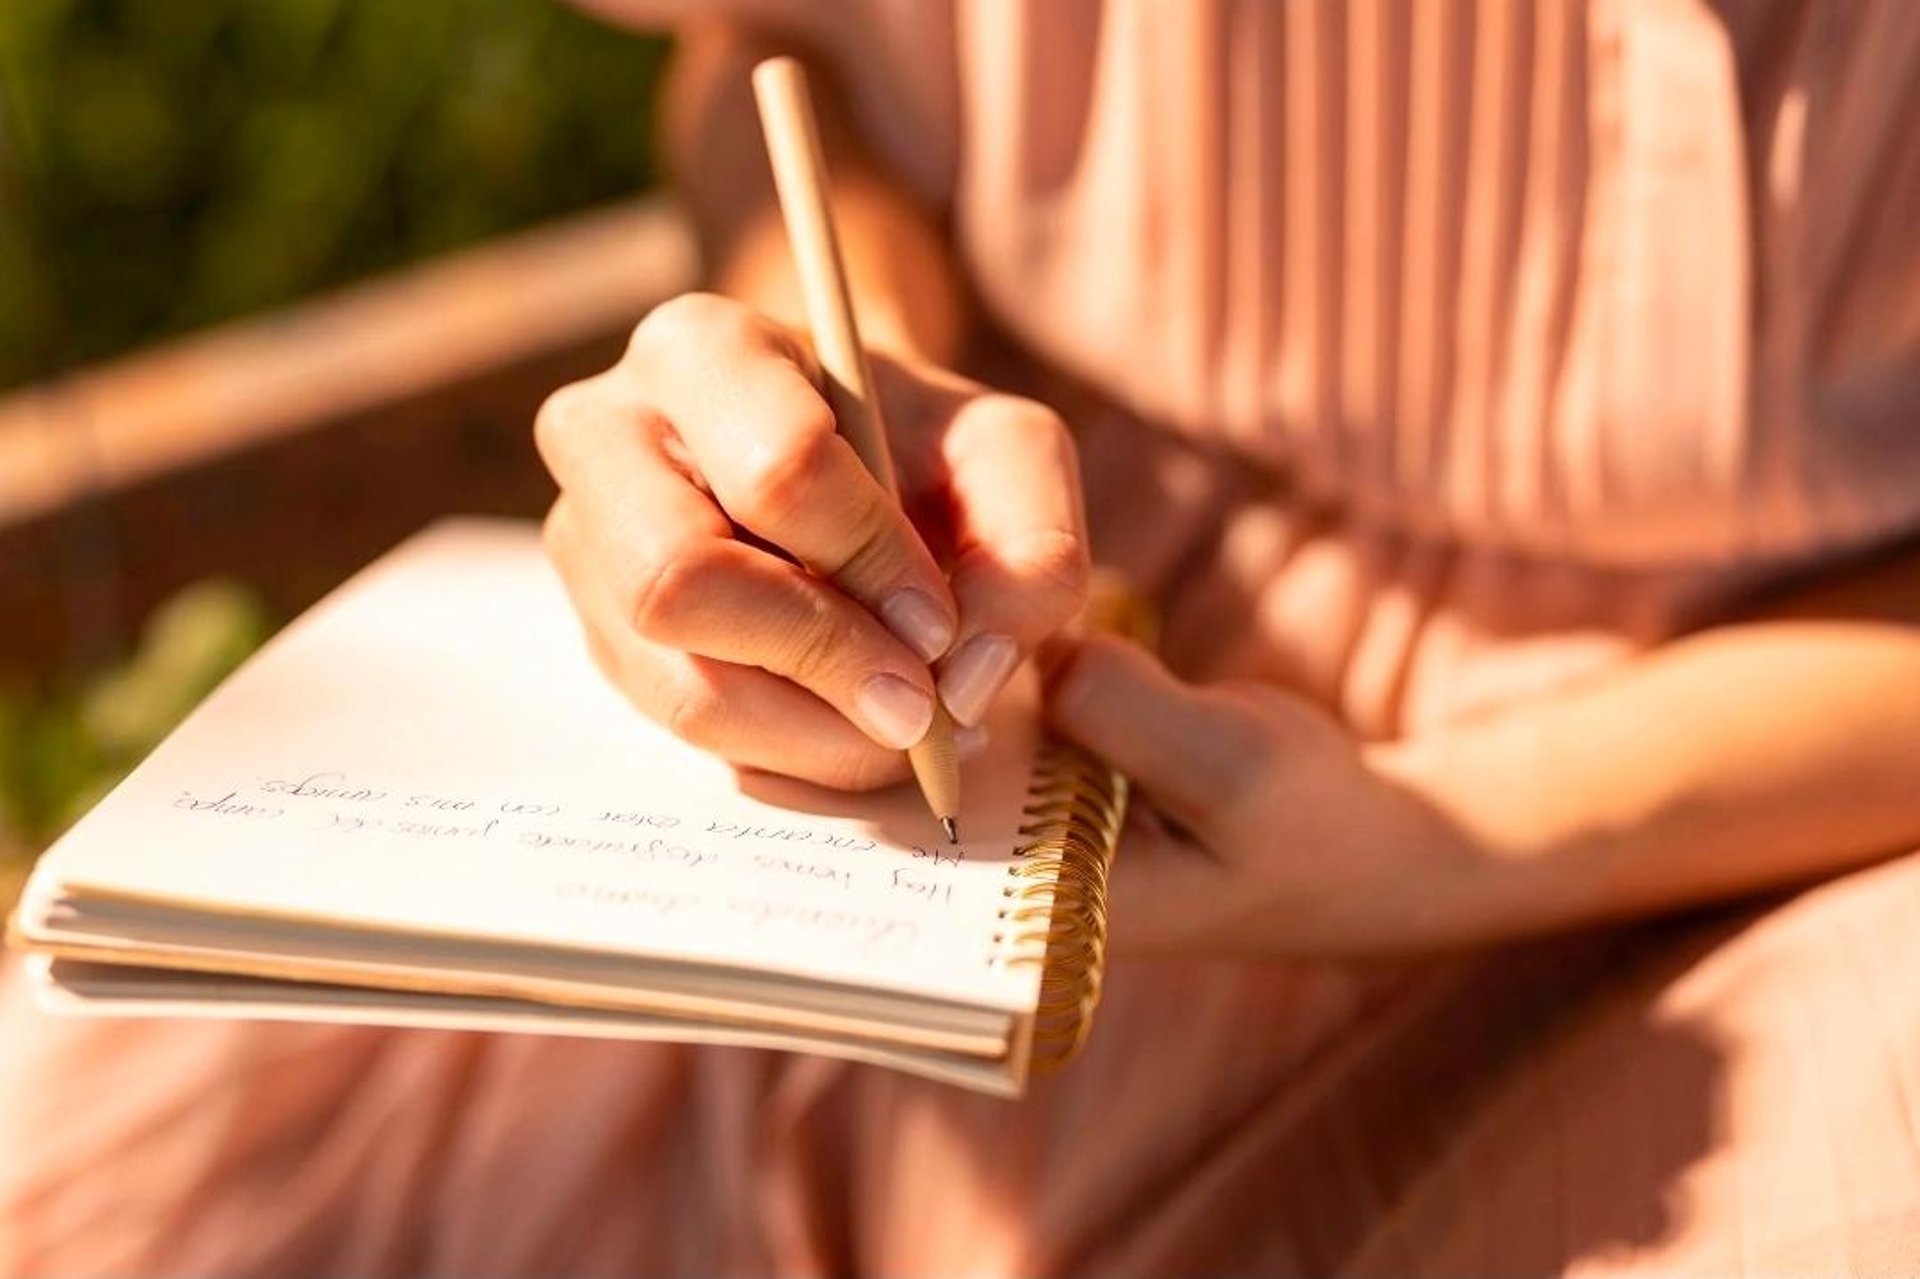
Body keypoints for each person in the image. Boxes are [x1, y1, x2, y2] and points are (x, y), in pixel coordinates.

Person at [7, 3, 1920, 1273]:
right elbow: (790, 70)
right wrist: (831, 376)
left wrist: (1443, 839)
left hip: (1758, 797)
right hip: (1034, 605)